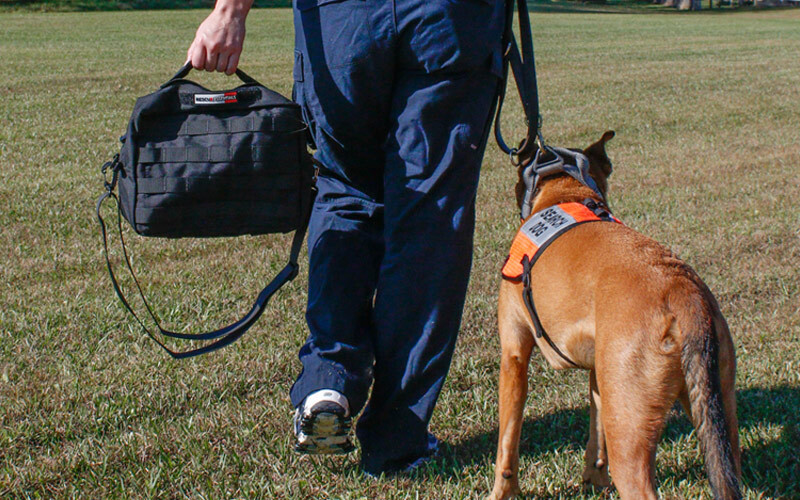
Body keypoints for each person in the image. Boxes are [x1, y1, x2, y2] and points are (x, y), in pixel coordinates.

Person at [188, 0, 505, 476]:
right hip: (449, 20)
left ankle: (328, 379)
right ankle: (396, 441)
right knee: (429, 222)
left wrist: (230, 11)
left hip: (344, 22)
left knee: (345, 191)